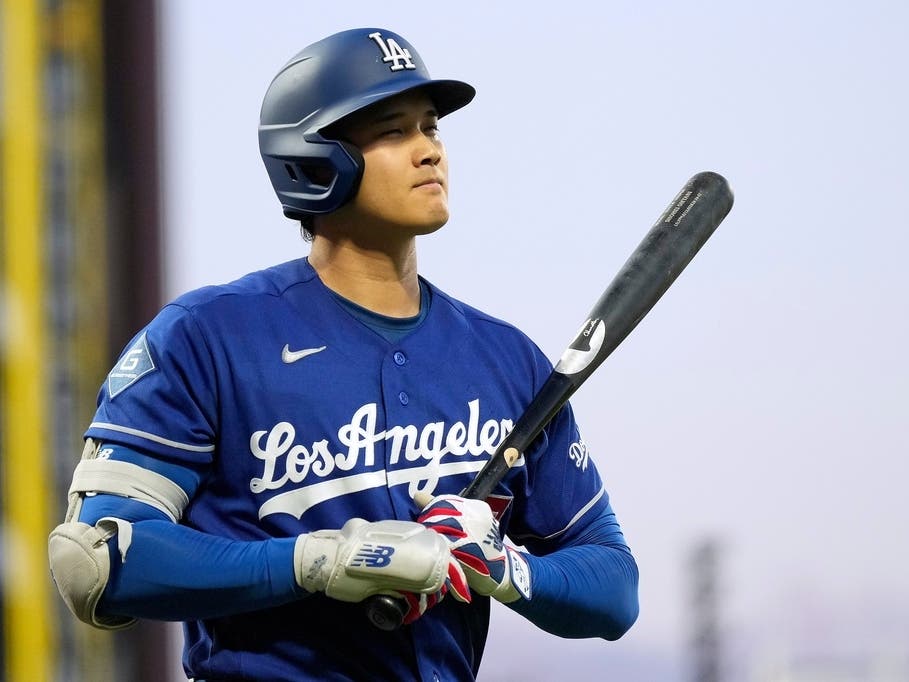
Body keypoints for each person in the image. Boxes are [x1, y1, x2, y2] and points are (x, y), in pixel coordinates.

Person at [48, 27, 639, 681]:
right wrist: (324, 561)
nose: (428, 152)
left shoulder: (504, 358)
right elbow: (96, 560)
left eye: (431, 128)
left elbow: (612, 587)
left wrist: (504, 568)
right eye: (392, 131)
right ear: (313, 157)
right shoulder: (207, 336)